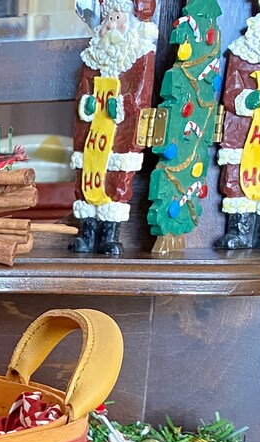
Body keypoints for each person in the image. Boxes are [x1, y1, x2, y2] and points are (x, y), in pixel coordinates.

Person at [70, 0, 158, 255]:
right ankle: (86, 232)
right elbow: (84, 89)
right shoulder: (93, 56)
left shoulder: (140, 55)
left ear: (129, 22)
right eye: (108, 19)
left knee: (116, 180)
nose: (110, 24)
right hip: (92, 132)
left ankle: (110, 234)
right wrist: (86, 103)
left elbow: (141, 94)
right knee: (87, 177)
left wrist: (121, 105)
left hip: (122, 133)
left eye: (117, 18)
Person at [216, 0, 260, 248]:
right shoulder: (243, 53)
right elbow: (230, 93)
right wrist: (247, 99)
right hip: (242, 134)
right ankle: (239, 230)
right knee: (238, 177)